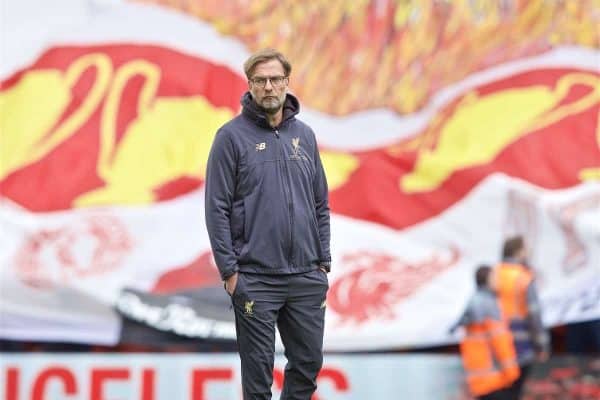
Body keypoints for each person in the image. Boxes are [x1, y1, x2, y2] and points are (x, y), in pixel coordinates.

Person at [204, 49, 331, 400]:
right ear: (250, 86)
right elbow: (216, 208)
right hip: (255, 278)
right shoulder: (230, 137)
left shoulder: (304, 136)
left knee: (307, 366)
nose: (269, 87)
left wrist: (323, 263)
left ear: (287, 83)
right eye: (260, 80)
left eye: (275, 79)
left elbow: (320, 202)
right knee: (258, 381)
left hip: (306, 276)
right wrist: (230, 272)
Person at [451, 265, 520, 400]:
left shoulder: (473, 302)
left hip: (480, 380)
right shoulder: (488, 304)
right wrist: (511, 373)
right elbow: (499, 341)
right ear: (487, 280)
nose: (498, 281)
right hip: (494, 379)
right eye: (494, 277)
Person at [494, 236, 550, 399]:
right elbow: (534, 315)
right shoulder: (523, 277)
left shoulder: (495, 274)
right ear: (519, 252)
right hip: (521, 344)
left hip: (496, 344)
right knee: (514, 391)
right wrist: (542, 345)